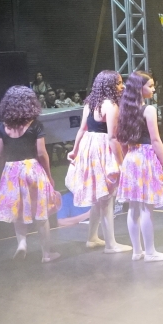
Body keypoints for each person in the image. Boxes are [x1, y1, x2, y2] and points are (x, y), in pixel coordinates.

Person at [0, 85, 60, 262]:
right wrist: (49, 175)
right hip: (32, 169)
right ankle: (46, 254)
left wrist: (3, 173)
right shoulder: (35, 125)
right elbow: (41, 153)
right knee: (41, 212)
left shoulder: (1, 127)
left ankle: (22, 244)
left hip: (11, 170)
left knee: (17, 211)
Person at [65, 70, 128, 253]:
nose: (122, 86)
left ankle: (92, 238)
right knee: (106, 197)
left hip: (88, 147)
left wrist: (75, 150)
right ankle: (111, 244)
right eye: (118, 83)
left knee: (98, 196)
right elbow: (112, 137)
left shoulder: (90, 103)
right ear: (109, 86)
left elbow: (82, 130)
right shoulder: (111, 106)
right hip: (102, 148)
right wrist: (121, 162)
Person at [115, 71, 163, 262]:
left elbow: (121, 140)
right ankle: (150, 252)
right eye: (151, 86)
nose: (154, 89)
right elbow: (155, 140)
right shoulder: (148, 110)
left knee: (133, 208)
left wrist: (125, 160)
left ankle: (137, 251)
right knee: (147, 207)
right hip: (146, 157)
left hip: (131, 158)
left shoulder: (124, 110)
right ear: (140, 88)